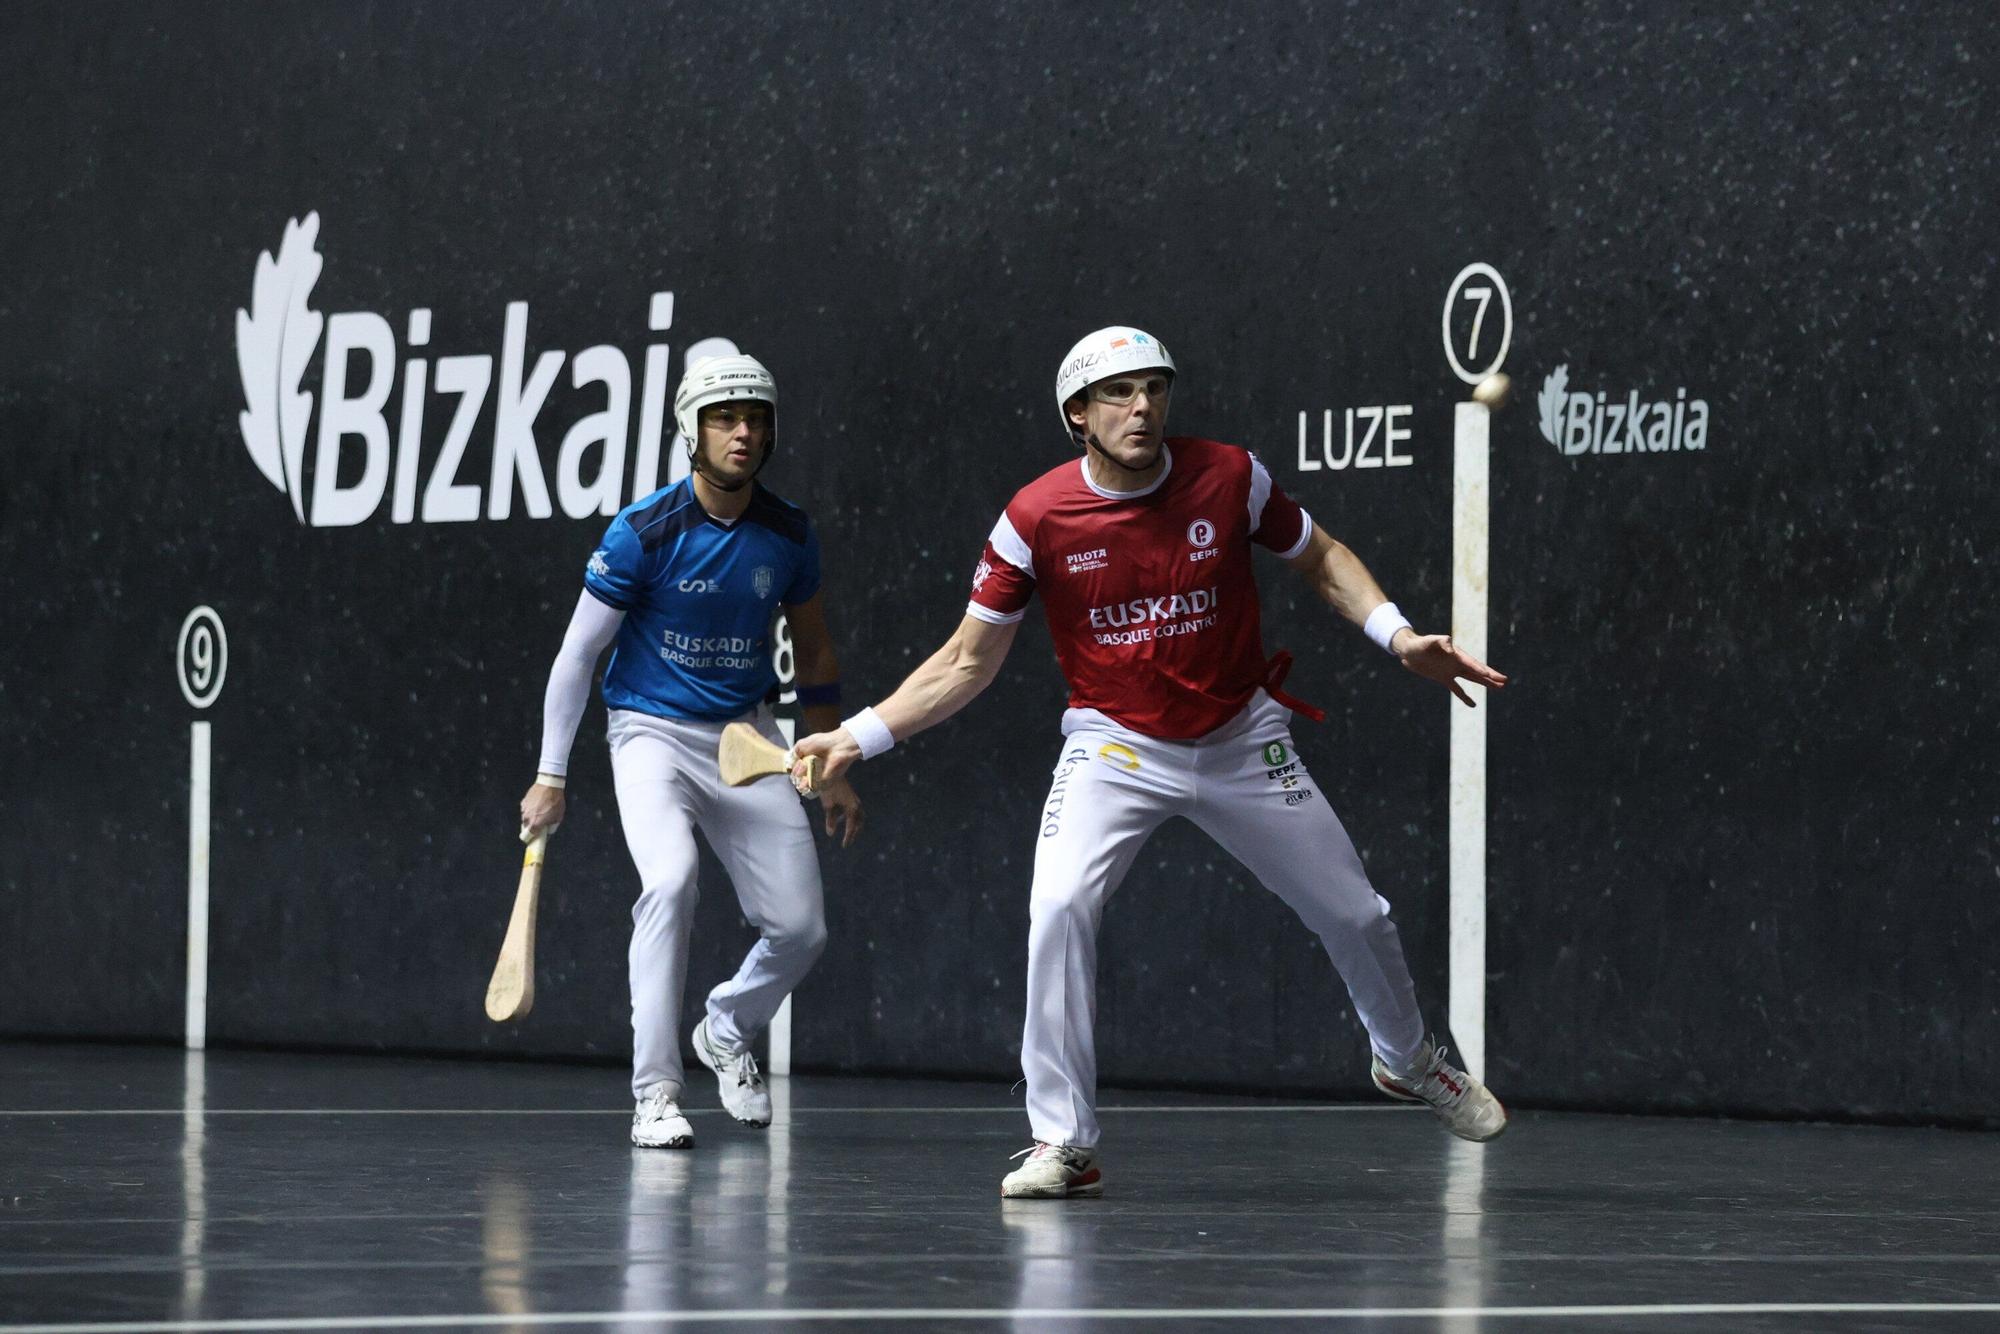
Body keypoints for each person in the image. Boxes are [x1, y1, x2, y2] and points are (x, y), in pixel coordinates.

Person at [791, 327, 1507, 1198]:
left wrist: (1397, 636)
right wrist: (855, 737)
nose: (1142, 408)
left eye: (1154, 389)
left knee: (1356, 914)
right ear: (1078, 415)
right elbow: (965, 662)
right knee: (1058, 906)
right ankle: (1063, 1141)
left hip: (1241, 738)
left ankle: (1408, 1060)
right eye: (1118, 394)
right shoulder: (1035, 519)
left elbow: (1320, 557)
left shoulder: (1230, 476)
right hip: (1114, 745)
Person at [520, 353, 863, 1150]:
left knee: (802, 929)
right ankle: (655, 1094)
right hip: (650, 734)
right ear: (690, 430)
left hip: (747, 735)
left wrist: (832, 760)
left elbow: (814, 650)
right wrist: (550, 774)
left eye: (756, 419)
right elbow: (578, 655)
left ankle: (727, 1027)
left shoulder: (788, 532)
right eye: (724, 419)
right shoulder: (643, 532)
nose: (743, 433)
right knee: (670, 882)